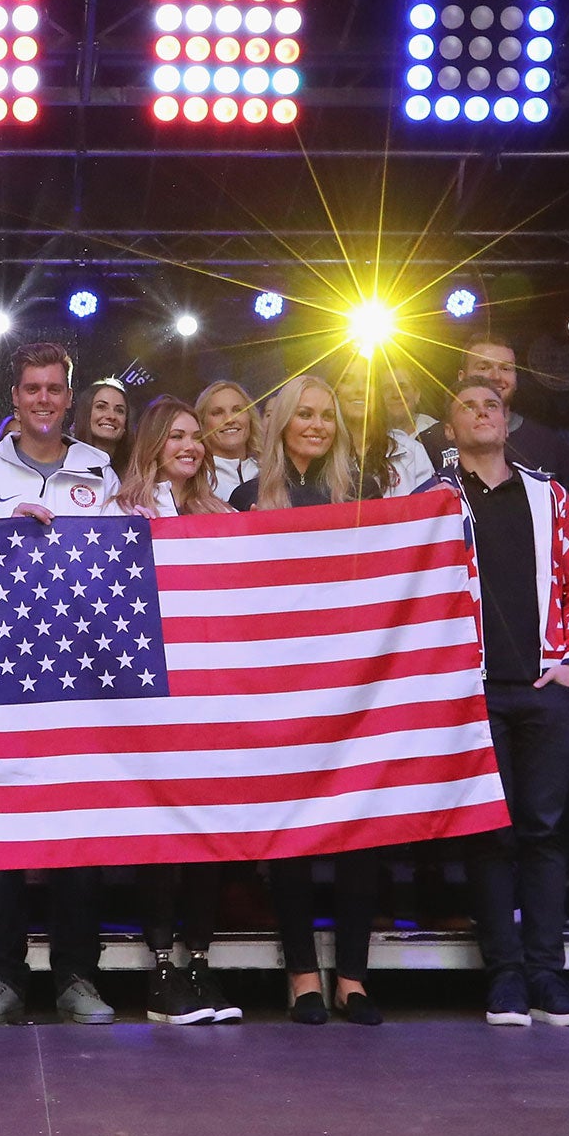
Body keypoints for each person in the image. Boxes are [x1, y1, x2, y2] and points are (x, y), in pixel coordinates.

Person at [0, 341, 119, 1026]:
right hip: (0, 673)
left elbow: (118, 563)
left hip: (80, 672)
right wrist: (3, 536)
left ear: (68, 399)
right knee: (2, 828)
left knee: (79, 826)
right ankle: (2, 977)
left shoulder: (100, 470)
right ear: (14, 398)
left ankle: (77, 975)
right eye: (32, 389)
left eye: (55, 389)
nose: (44, 400)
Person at [430, 379, 569, 1028]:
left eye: (492, 405)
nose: (481, 412)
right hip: (471, 691)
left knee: (544, 831)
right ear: (450, 428)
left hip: (541, 688)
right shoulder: (433, 501)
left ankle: (549, 977)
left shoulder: (547, 492)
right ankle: (503, 975)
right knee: (489, 835)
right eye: (467, 404)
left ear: (508, 422)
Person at [230, 377, 384, 1026]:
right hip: (281, 692)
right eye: (306, 414)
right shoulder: (245, 498)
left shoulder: (365, 495)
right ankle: (301, 977)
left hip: (353, 690)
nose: (318, 425)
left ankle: (352, 977)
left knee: (363, 835)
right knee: (289, 835)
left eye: (327, 416)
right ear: (283, 422)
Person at [115, 397, 243, 1024]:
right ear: (154, 445)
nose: (190, 445)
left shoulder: (222, 512)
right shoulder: (121, 509)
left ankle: (200, 962)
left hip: (210, 694)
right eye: (177, 436)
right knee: (164, 835)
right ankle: (162, 971)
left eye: (197, 436)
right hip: (151, 695)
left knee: (208, 835)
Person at [422, 337, 569, 482]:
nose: (496, 376)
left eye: (505, 368)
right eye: (484, 367)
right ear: (462, 377)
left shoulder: (548, 444)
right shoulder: (429, 442)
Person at [335, 353, 434, 499]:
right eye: (348, 381)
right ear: (335, 390)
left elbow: (431, 514)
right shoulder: (320, 454)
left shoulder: (411, 452)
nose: (359, 389)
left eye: (368, 381)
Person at [195, 380, 259, 501]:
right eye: (217, 413)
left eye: (237, 410)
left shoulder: (271, 473)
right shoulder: (195, 481)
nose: (229, 419)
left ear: (250, 417)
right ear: (202, 424)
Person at [71, 376, 132, 466]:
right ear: (85, 414)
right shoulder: (64, 461)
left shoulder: (137, 472)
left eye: (119, 411)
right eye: (101, 407)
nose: (111, 416)